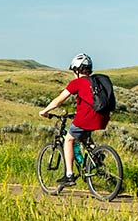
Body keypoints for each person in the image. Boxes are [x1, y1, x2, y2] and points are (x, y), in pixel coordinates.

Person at [37, 53, 107, 186]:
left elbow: (58, 100)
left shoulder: (77, 83)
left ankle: (69, 175)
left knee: (69, 139)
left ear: (77, 69)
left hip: (86, 118)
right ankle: (96, 156)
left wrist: (45, 111)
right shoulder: (96, 82)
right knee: (84, 137)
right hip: (102, 117)